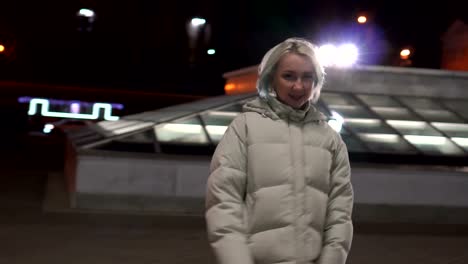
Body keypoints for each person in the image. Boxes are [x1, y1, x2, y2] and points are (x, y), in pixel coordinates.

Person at [205, 37, 354, 264]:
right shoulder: (244, 128)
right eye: (289, 76)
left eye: (307, 77)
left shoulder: (330, 139)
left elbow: (339, 213)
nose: (298, 86)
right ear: (271, 78)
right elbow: (224, 203)